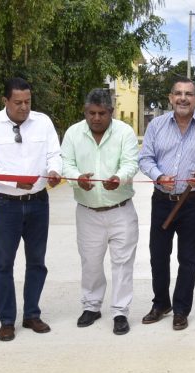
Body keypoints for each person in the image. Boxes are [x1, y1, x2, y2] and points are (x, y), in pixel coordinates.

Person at [0, 77, 62, 342]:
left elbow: (54, 154)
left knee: (37, 262)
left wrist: (55, 170)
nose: (24, 107)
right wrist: (14, 180)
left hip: (38, 203)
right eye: (18, 102)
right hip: (5, 205)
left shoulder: (43, 122)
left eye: (28, 101)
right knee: (4, 264)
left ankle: (32, 315)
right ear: (5, 101)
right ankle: (7, 320)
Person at [138, 78, 195, 331]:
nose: (183, 98)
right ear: (170, 98)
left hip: (193, 201)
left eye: (189, 94)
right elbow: (145, 158)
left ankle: (181, 309)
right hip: (162, 200)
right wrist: (158, 176)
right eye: (178, 94)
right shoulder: (156, 125)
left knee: (188, 259)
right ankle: (161, 303)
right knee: (158, 256)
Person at [61, 88, 139, 335]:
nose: (96, 118)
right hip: (87, 211)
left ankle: (120, 312)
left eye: (101, 113)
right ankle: (92, 306)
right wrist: (76, 179)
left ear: (111, 112)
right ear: (85, 111)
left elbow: (130, 163)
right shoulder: (73, 133)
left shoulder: (125, 132)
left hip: (120, 210)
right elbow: (67, 164)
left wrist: (120, 177)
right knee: (91, 262)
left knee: (123, 262)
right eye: (91, 113)